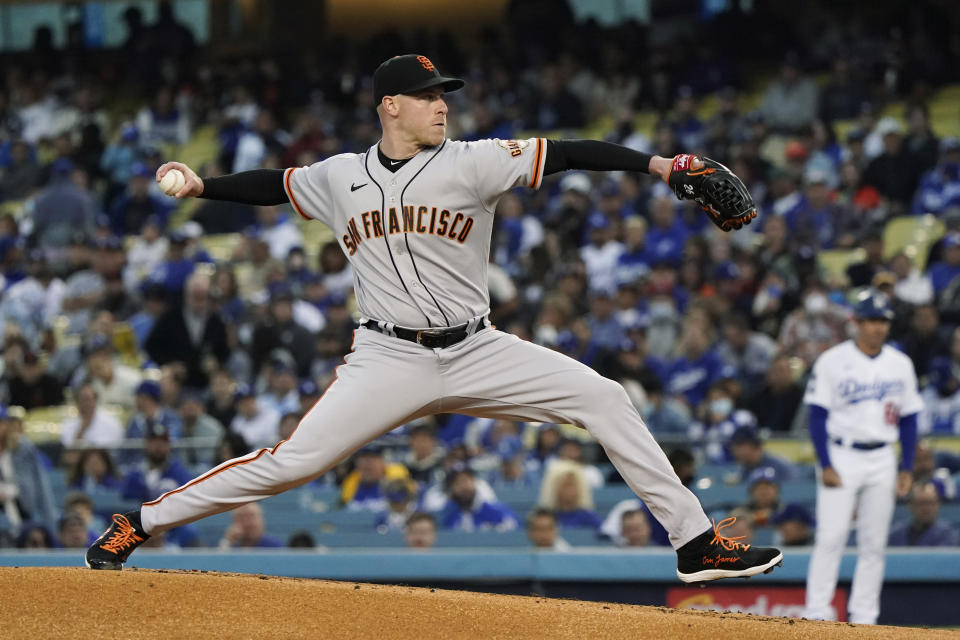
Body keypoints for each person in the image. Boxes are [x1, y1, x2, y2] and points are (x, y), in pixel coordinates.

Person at [87, 54, 780, 582]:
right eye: (427, 96)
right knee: (294, 463)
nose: (441, 106)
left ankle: (693, 544)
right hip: (389, 358)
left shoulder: (474, 162)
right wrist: (204, 185)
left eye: (443, 95)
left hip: (478, 347)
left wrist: (661, 166)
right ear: (391, 106)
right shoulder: (339, 176)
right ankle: (141, 522)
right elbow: (277, 185)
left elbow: (567, 152)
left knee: (605, 398)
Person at [803, 290, 923, 625]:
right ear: (856, 322)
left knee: (874, 542)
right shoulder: (832, 360)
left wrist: (907, 466)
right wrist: (825, 462)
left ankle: (865, 616)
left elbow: (910, 418)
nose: (878, 327)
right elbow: (816, 415)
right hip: (841, 453)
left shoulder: (900, 364)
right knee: (831, 536)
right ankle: (817, 612)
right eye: (871, 320)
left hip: (883, 456)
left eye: (883, 321)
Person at [887, 483, 959, 547]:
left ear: (938, 505)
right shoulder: (895, 534)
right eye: (921, 503)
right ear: (910, 505)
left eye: (931, 503)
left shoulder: (948, 535)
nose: (926, 508)